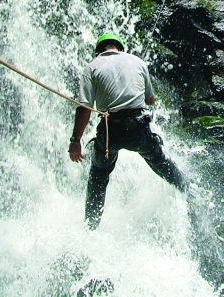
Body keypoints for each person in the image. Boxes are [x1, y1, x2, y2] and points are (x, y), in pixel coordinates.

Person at [68, 33, 187, 229]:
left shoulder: (92, 67)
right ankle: (186, 188)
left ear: (99, 51)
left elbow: (84, 108)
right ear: (119, 48)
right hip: (137, 127)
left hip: (109, 131)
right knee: (160, 162)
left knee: (98, 176)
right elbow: (150, 100)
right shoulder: (138, 61)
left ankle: (90, 227)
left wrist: (75, 140)